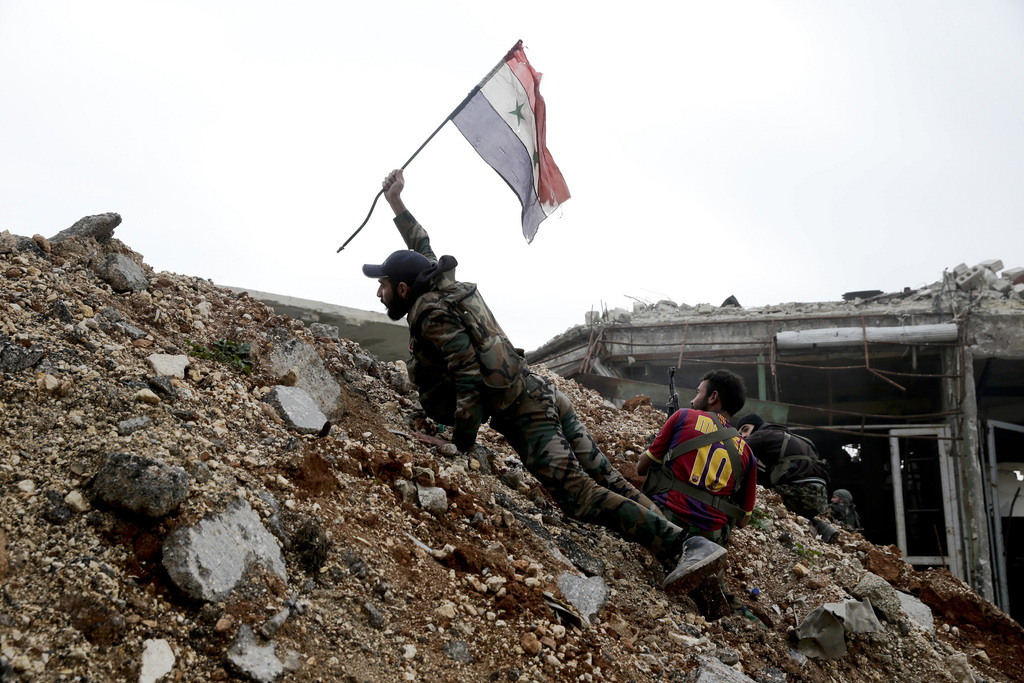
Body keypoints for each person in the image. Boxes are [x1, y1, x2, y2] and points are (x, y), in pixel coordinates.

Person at [362, 169, 718, 595]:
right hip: (544, 392)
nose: (378, 293)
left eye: (382, 285)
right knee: (609, 479)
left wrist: (459, 442)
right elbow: (422, 248)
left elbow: (468, 375)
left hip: (526, 413)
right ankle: (692, 547)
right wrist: (397, 205)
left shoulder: (427, 312)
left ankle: (684, 544)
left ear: (403, 288)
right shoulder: (442, 285)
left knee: (580, 495)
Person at [636, 370, 759, 587]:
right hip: (711, 539)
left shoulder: (683, 416)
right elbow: (743, 519)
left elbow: (641, 468)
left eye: (697, 393)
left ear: (713, 397)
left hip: (664, 524)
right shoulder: (748, 454)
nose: (693, 400)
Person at [735, 413, 838, 542]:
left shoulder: (763, 434)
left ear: (757, 426)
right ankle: (815, 525)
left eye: (745, 429)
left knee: (759, 495)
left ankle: (807, 526)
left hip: (799, 492)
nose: (743, 435)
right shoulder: (795, 438)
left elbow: (736, 449)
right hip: (820, 498)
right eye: (740, 433)